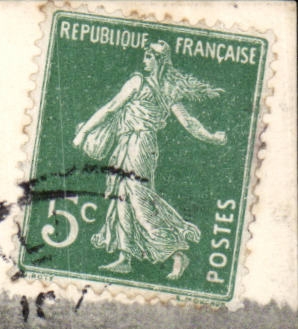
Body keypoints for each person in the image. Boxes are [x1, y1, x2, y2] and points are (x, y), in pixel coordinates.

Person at [72, 40, 227, 280]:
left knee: (139, 199)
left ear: (159, 60)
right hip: (128, 144)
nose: (144, 61)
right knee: (121, 196)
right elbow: (188, 123)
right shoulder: (162, 89)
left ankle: (176, 253)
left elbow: (112, 108)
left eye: (149, 57)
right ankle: (125, 257)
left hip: (139, 146)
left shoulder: (146, 84)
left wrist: (83, 133)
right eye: (144, 56)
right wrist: (212, 138)